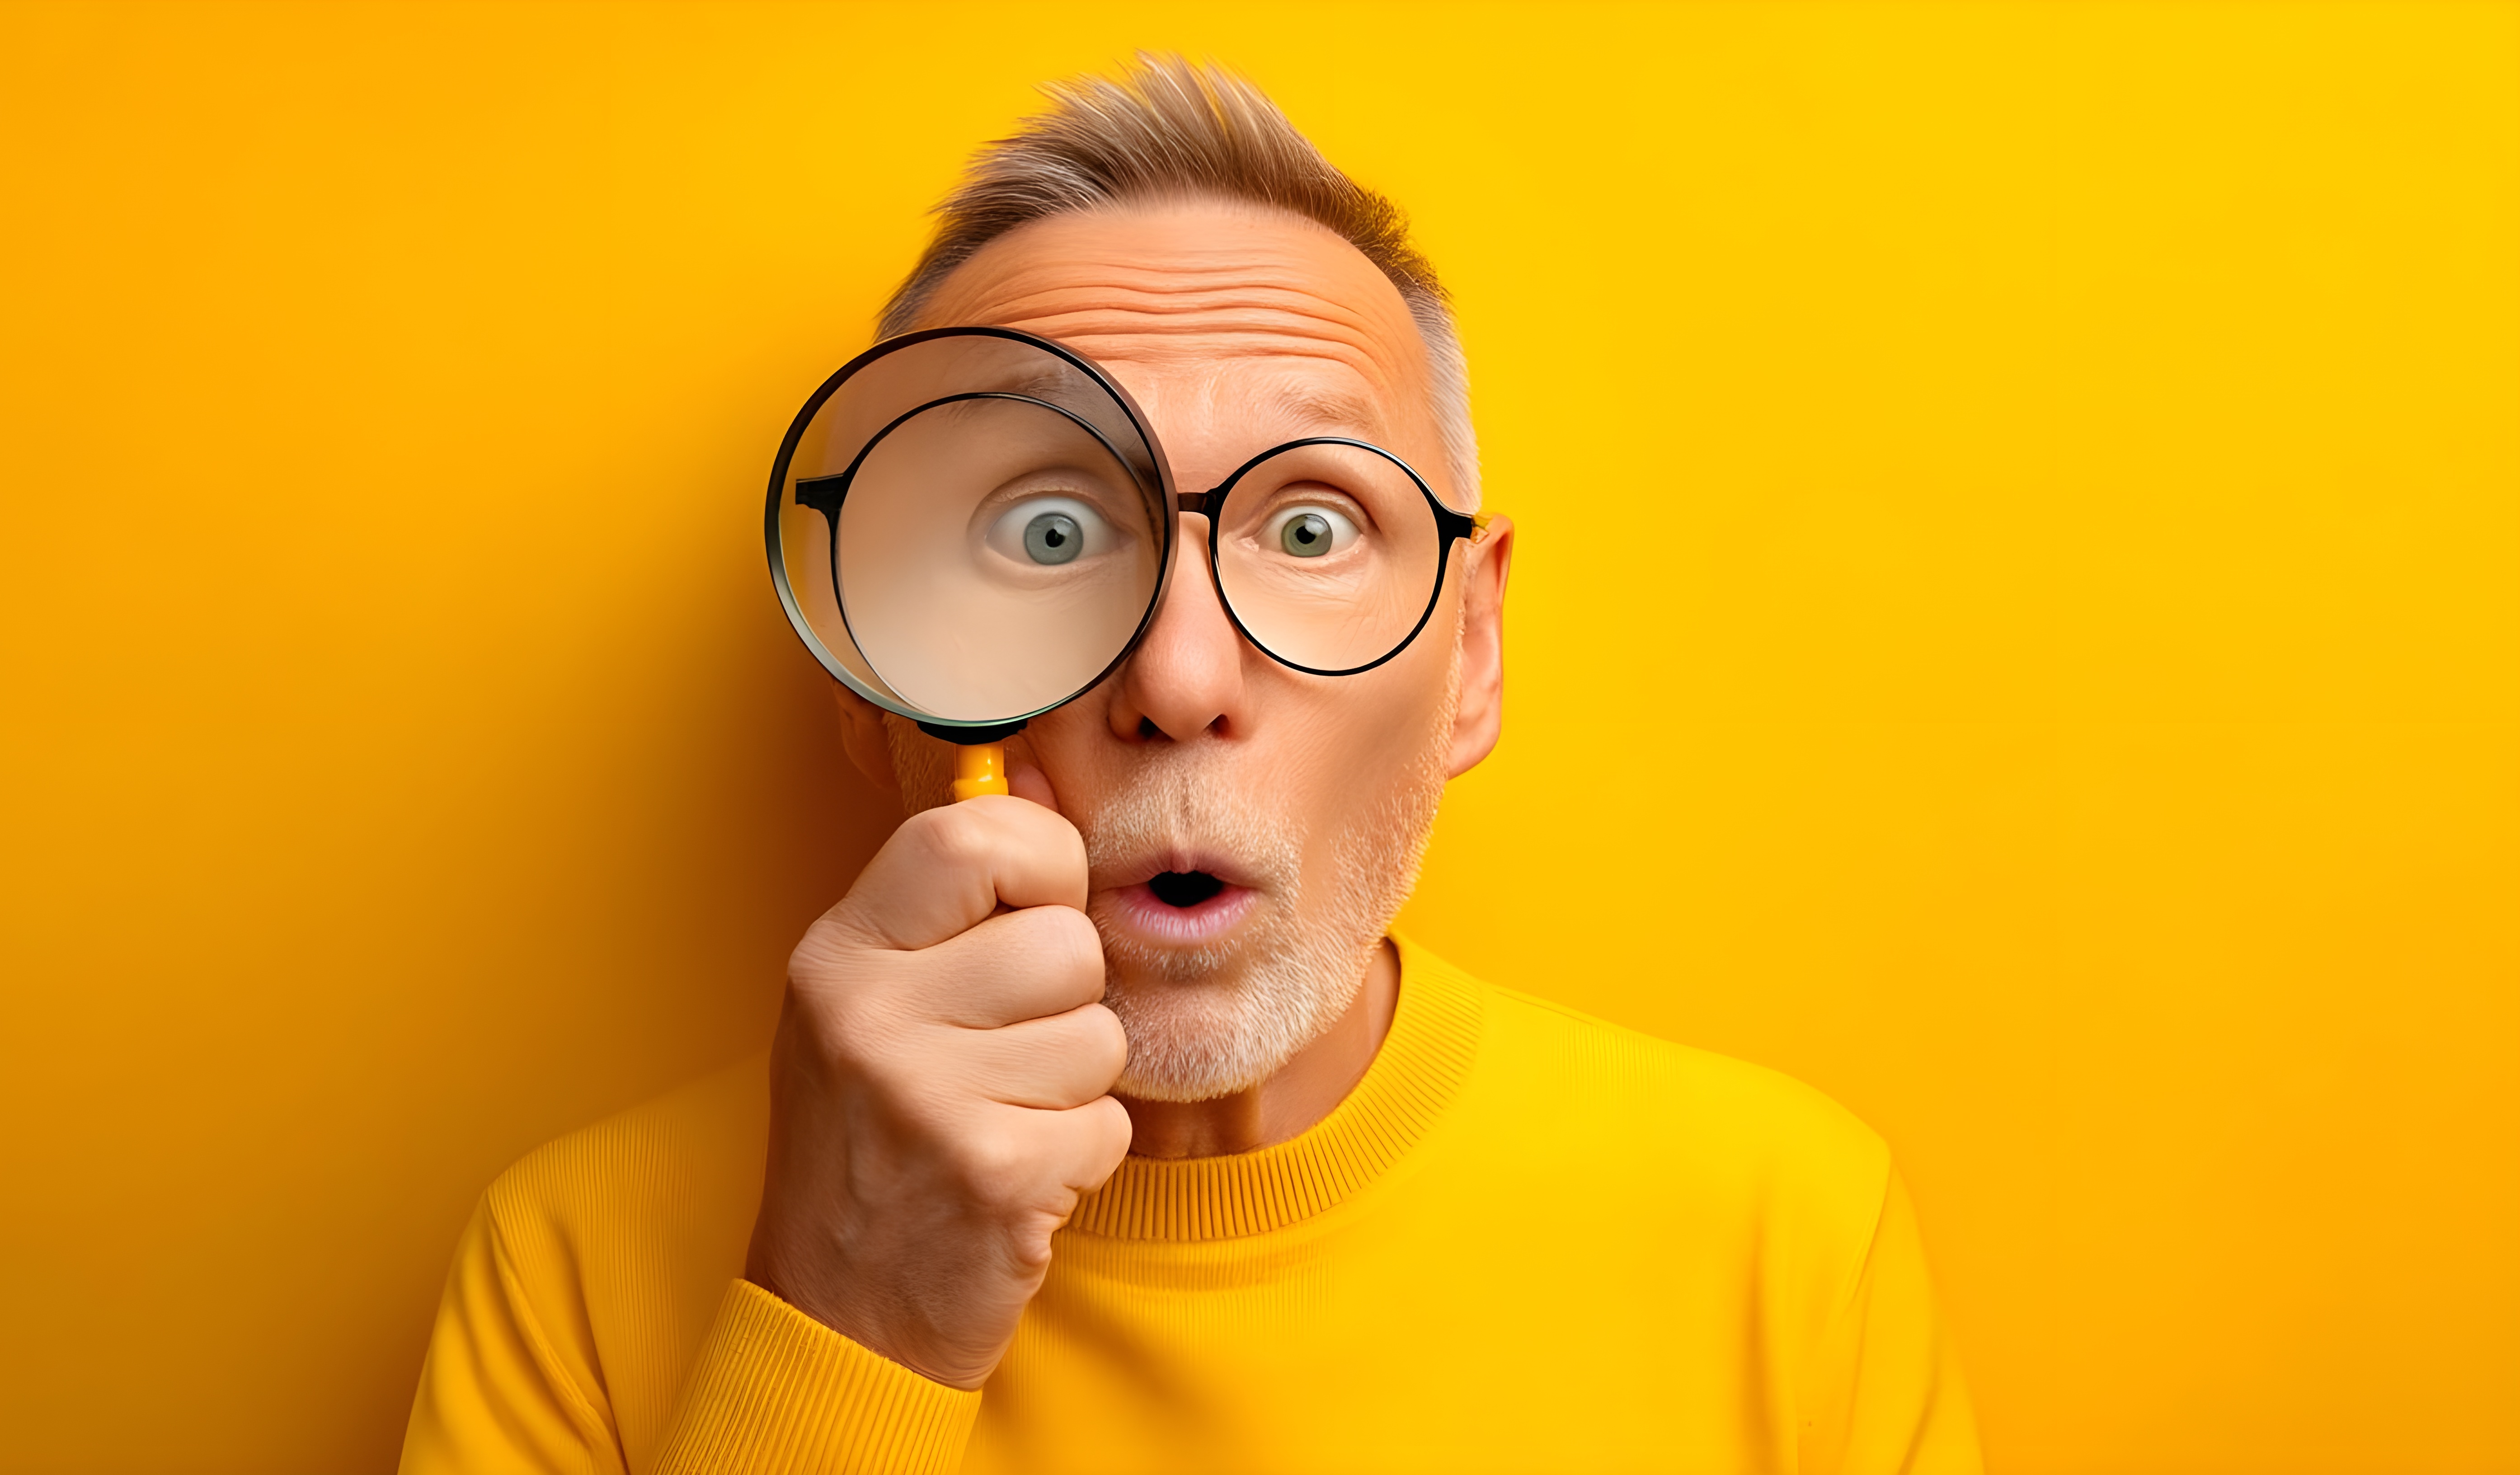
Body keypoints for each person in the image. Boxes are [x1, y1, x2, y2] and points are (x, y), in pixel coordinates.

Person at [397, 55, 1981, 1475]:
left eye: (1310, 526)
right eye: (1047, 531)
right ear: (872, 686)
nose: (1176, 678)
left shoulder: (1785, 1237)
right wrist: (848, 1320)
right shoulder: (577, 1271)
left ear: (1472, 657)